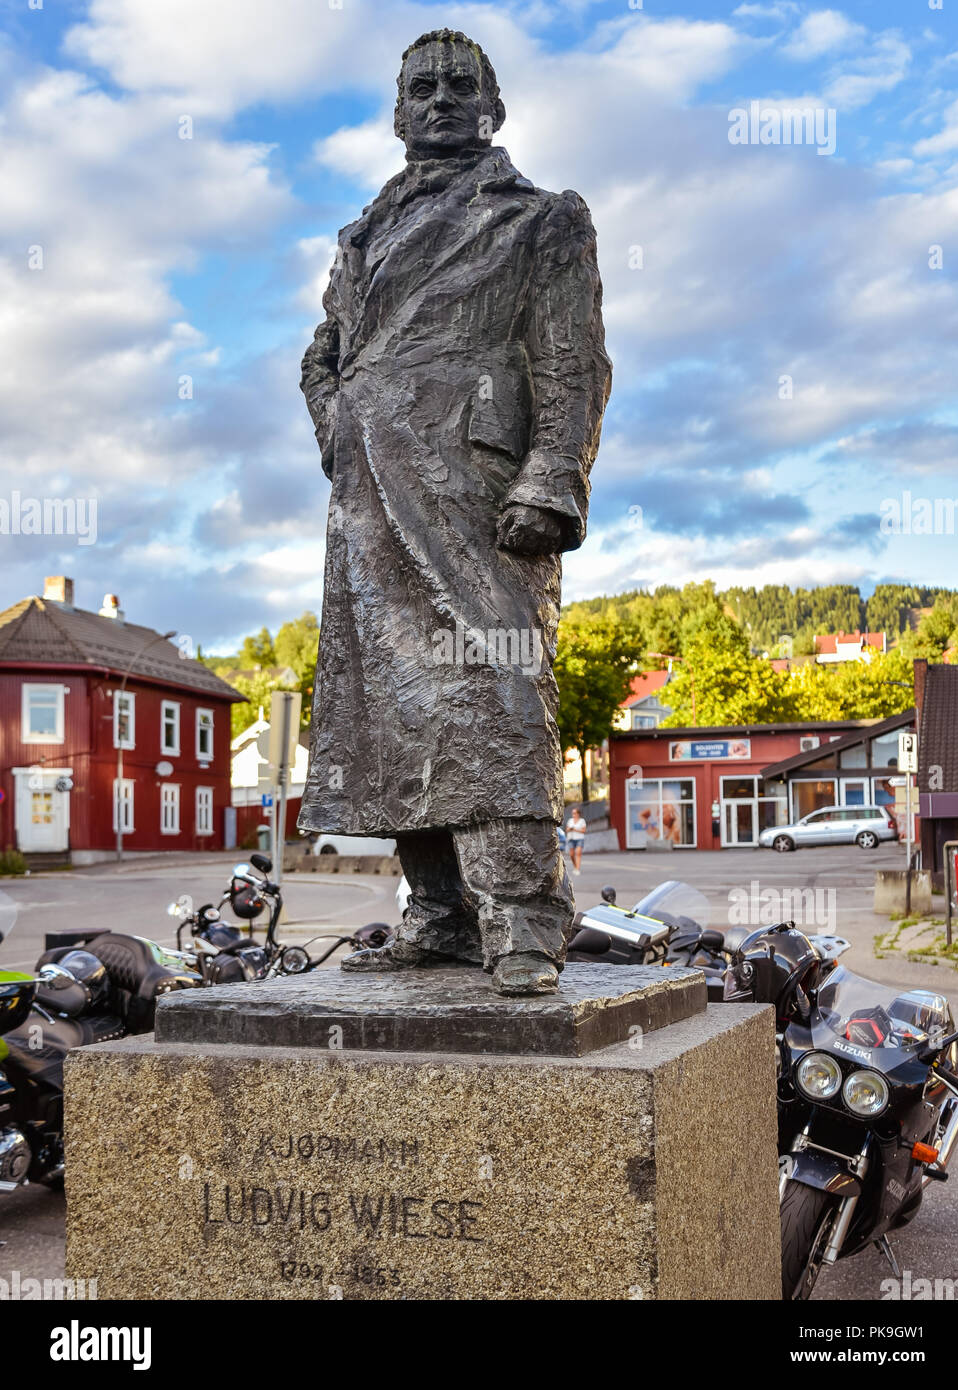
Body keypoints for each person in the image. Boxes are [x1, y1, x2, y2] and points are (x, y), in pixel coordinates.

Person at [297, 29, 611, 996]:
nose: (440, 99)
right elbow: (323, 355)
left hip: (474, 489)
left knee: (493, 689)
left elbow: (572, 359)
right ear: (396, 114)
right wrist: (341, 425)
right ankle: (437, 912)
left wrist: (551, 476)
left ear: (494, 106)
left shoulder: (540, 219)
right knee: (390, 705)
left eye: (459, 85)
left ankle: (521, 917)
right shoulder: (359, 236)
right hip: (371, 498)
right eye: (421, 88)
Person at [565, 807, 587, 874]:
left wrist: (575, 829)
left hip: (579, 838)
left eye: (574, 813)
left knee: (578, 853)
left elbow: (583, 830)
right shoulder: (570, 820)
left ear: (578, 814)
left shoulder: (582, 821)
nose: (573, 814)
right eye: (572, 813)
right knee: (571, 854)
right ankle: (575, 866)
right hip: (571, 838)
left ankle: (577, 869)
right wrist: (570, 829)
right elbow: (566, 830)